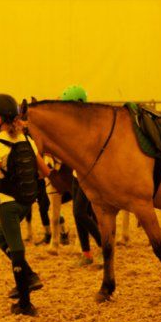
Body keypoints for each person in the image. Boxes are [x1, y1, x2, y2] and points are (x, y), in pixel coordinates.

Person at [0, 93, 51, 316]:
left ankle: (25, 303)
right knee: (0, 236)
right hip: (26, 203)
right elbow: (44, 171)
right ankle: (29, 275)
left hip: (8, 204)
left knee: (16, 249)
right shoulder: (27, 140)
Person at [59, 85, 102, 266]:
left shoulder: (89, 123)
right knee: (77, 214)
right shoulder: (74, 123)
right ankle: (87, 254)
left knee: (80, 212)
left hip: (89, 173)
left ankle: (104, 246)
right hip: (77, 173)